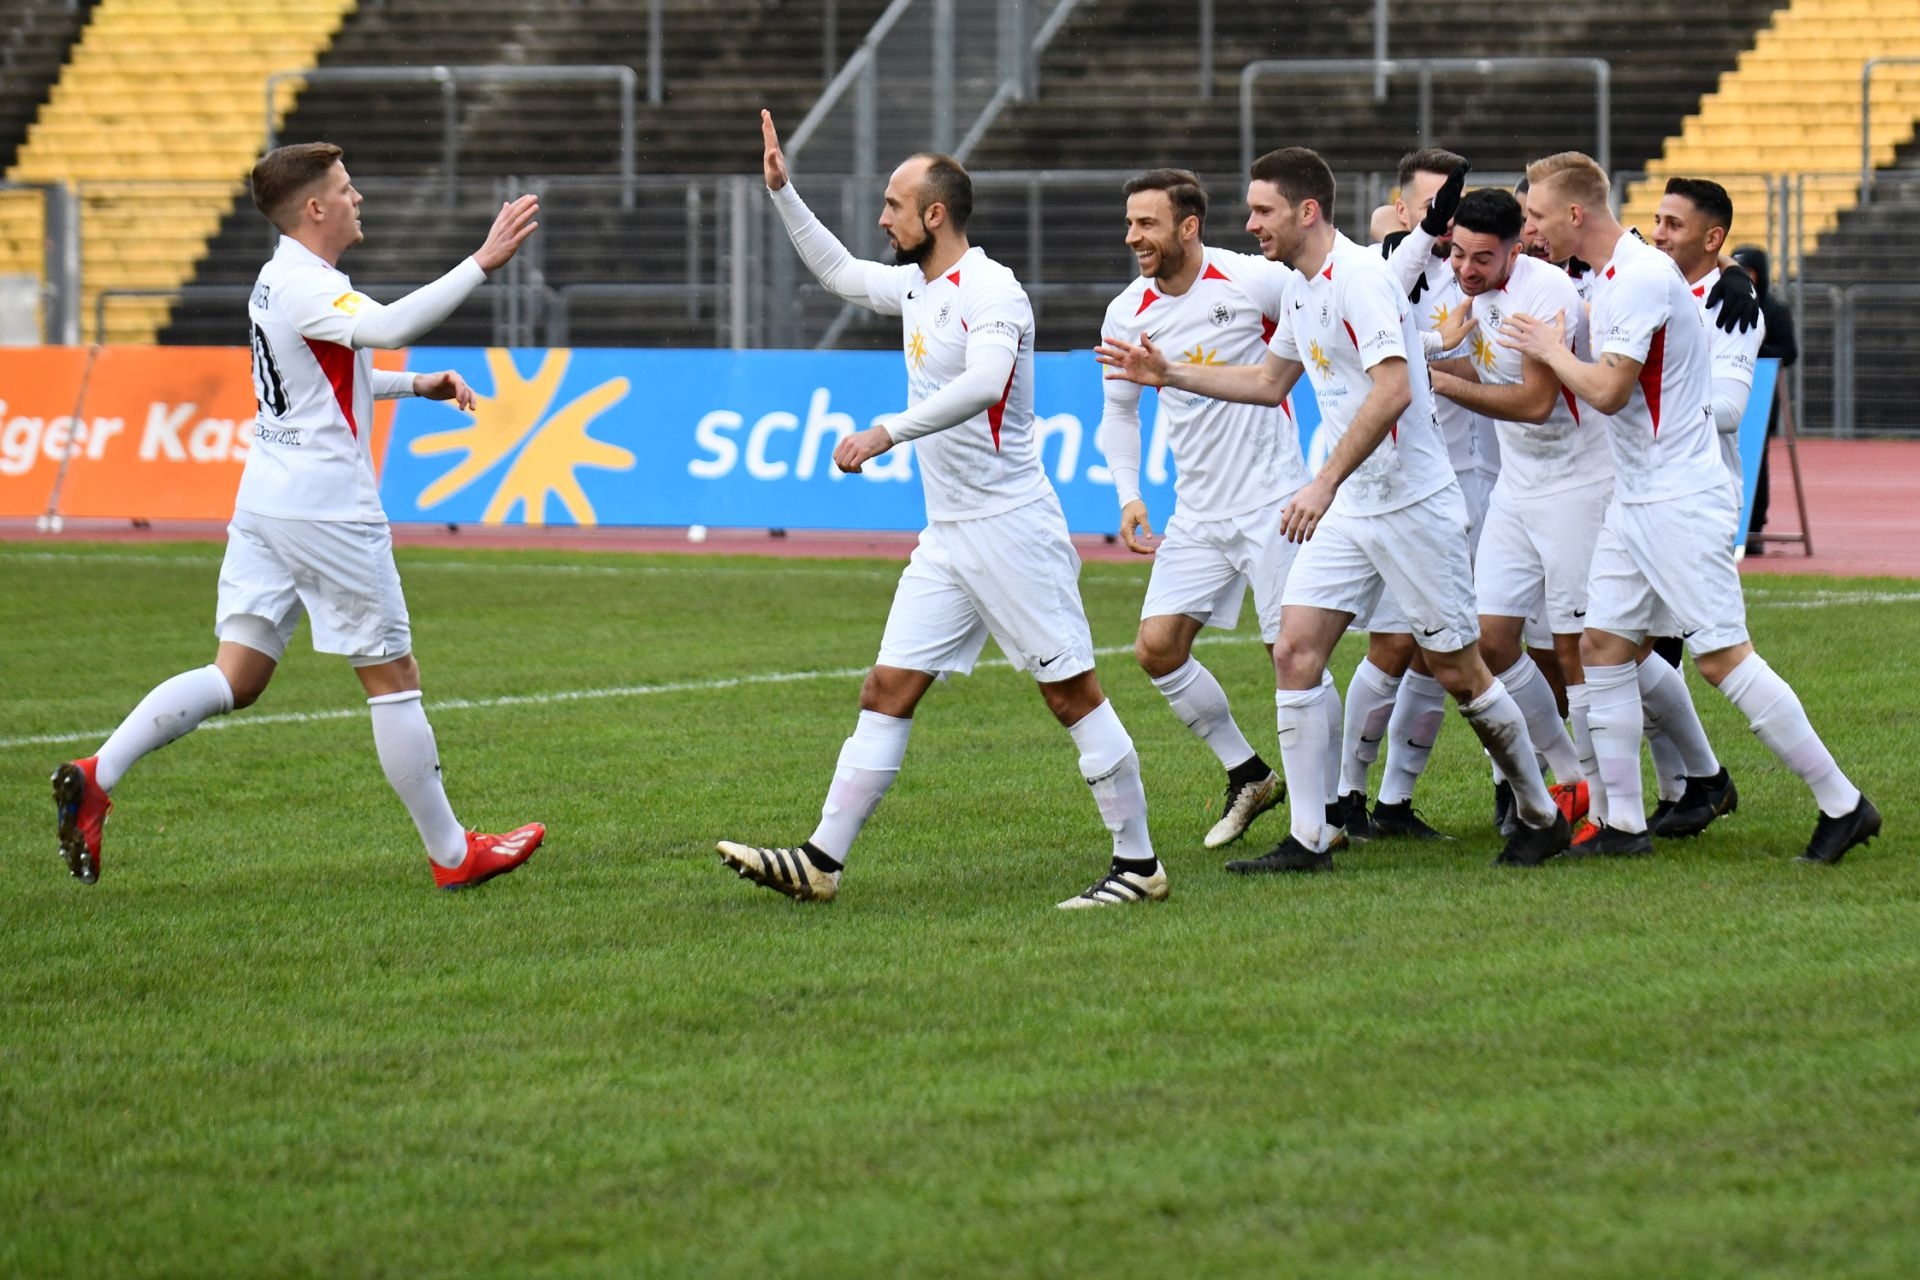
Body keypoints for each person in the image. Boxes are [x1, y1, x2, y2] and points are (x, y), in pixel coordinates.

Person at [51, 142, 546, 890]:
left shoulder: (280, 278)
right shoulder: (306, 283)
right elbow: (389, 325)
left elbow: (323, 374)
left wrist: (416, 385)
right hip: (327, 510)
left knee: (237, 674)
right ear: (315, 208)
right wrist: (481, 261)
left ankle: (96, 775)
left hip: (268, 500)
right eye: (346, 189)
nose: (358, 198)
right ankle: (454, 856)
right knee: (393, 676)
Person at [718, 111, 1162, 909]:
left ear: (934, 214)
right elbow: (839, 273)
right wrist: (783, 193)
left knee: (1071, 693)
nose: (881, 219)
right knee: (886, 688)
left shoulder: (994, 291)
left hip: (1012, 529)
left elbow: (985, 385)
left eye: (893, 205)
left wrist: (886, 431)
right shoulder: (917, 284)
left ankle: (1138, 865)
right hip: (949, 537)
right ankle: (821, 861)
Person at [1100, 146, 1571, 873]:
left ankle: (1540, 813)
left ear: (1307, 211)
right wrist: (1169, 373)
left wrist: (1321, 482)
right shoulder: (1300, 287)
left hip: (1412, 505)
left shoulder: (1359, 279)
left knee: (1458, 669)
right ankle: (1311, 834)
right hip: (1355, 504)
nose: (1251, 224)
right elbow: (1267, 382)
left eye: (1263, 211)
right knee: (1295, 651)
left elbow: (1395, 389)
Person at [1503, 152, 1878, 863]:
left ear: (1574, 214)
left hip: (1679, 496)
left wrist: (1549, 349)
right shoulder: (1615, 273)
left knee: (1722, 658)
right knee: (1602, 646)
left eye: (1538, 215)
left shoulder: (1638, 276)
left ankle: (1843, 802)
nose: (1532, 227)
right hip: (1637, 496)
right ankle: (1623, 826)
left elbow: (1608, 392)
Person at [1096, 168, 1332, 851]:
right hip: (1197, 511)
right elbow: (1119, 412)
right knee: (1157, 648)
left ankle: (1330, 809)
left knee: (1293, 654)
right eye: (1129, 223)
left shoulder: (1252, 281)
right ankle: (1250, 774)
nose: (1132, 236)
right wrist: (1129, 493)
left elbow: (1325, 305)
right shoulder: (1126, 311)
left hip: (1273, 500)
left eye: (1147, 223)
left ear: (1188, 226)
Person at [1425, 188, 1606, 847]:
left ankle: (1614, 799)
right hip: (1518, 487)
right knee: (1492, 642)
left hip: (1576, 484)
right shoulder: (1466, 292)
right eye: (1457, 255)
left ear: (1514, 249)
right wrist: (1430, 356)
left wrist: (1439, 379)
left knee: (1581, 650)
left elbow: (1533, 403)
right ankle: (1569, 774)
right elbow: (1476, 366)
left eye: (1482, 258)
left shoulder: (1545, 292)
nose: (1466, 269)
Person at [1729, 245, 1798, 556]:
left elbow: (1789, 352)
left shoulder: (1774, 310)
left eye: (1749, 271)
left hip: (1761, 394)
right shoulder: (1725, 303)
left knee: (1757, 458)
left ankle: (1754, 526)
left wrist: (1754, 351)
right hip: (1730, 389)